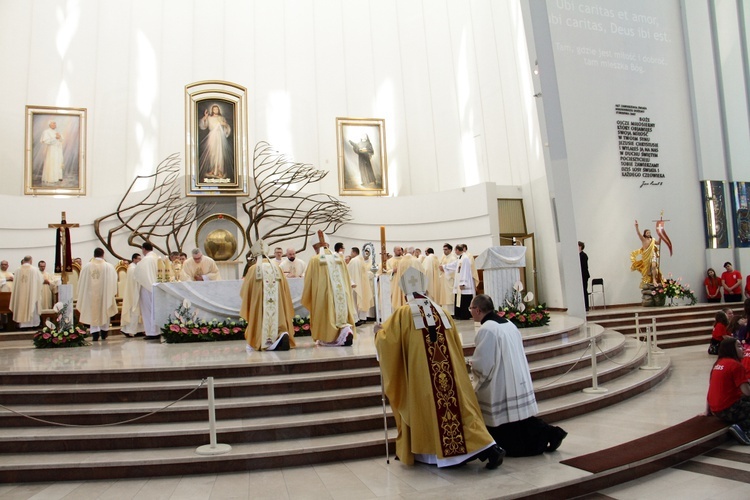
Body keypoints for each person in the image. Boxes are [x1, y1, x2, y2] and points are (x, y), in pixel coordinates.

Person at [374, 267, 504, 469]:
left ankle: (441, 453)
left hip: (423, 378)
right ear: (424, 290)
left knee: (431, 412)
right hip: (450, 373)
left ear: (405, 292)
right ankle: (488, 447)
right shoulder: (442, 311)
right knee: (459, 412)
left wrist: (377, 335)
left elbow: (388, 343)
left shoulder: (404, 312)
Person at [469, 294, 567, 456]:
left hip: (502, 381)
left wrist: (474, 370)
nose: (471, 312)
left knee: (509, 423)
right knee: (520, 420)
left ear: (478, 310)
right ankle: (552, 434)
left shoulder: (487, 330)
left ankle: (548, 435)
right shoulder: (508, 323)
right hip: (516, 376)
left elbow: (484, 364)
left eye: (471, 309)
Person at [301, 233, 357, 346]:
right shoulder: (339, 258)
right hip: (342, 293)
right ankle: (344, 329)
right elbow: (347, 277)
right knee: (340, 313)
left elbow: (308, 281)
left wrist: (309, 296)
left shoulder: (315, 260)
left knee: (327, 314)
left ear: (314, 248)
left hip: (325, 295)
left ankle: (329, 337)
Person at [239, 240, 295, 351]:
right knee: (278, 314)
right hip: (277, 305)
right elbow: (285, 290)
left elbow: (245, 291)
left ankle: (262, 341)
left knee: (259, 315)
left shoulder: (253, 269)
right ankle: (280, 335)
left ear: (256, 257)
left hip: (260, 305)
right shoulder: (277, 267)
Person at [706, 337, 750, 445]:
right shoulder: (736, 365)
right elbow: (747, 392)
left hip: (715, 409)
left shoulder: (718, 363)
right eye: (739, 346)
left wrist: (707, 411)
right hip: (728, 409)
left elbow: (711, 387)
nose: (743, 349)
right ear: (731, 349)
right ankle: (742, 428)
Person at [76, 248, 118, 341]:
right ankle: (104, 333)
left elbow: (81, 282)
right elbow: (114, 281)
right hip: (104, 295)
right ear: (103, 254)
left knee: (92, 312)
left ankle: (95, 334)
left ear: (94, 255)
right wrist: (111, 293)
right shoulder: (109, 266)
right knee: (104, 309)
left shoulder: (87, 267)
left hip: (91, 296)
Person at [133, 242, 161, 340]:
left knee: (147, 311)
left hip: (146, 287)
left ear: (143, 249)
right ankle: (158, 331)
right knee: (156, 310)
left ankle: (151, 333)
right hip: (157, 287)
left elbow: (137, 273)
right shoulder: (157, 258)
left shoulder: (145, 260)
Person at [441, 244, 476, 320]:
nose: (455, 252)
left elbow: (465, 271)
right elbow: (454, 265)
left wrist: (463, 283)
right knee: (459, 299)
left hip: (464, 284)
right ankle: (459, 315)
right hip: (460, 283)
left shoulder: (465, 258)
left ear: (457, 250)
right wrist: (444, 267)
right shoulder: (460, 258)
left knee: (464, 300)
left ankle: (464, 315)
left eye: (455, 250)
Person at [198, 104, 232, 180]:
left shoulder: (221, 118)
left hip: (219, 137)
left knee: (219, 153)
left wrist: (225, 125)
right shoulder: (209, 118)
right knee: (212, 153)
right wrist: (205, 118)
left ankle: (219, 171)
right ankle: (213, 170)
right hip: (212, 137)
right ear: (212, 110)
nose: (215, 110)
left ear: (218, 110)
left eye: (217, 109)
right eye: (214, 109)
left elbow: (227, 129)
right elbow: (204, 126)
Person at [9, 256, 43, 328]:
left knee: (21, 305)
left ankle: (23, 325)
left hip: (20, 295)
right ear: (31, 261)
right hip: (31, 294)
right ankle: (33, 325)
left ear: (24, 261)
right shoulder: (34, 270)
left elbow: (15, 283)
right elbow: (40, 281)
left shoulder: (17, 270)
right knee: (32, 305)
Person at [631, 220, 662, 286]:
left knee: (654, 266)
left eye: (649, 232)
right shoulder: (643, 239)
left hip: (652, 254)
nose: (649, 233)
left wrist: (660, 236)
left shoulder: (652, 240)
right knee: (647, 270)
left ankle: (654, 280)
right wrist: (636, 226)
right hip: (646, 256)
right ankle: (648, 279)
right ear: (645, 234)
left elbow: (658, 243)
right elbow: (638, 234)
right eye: (647, 233)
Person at [347, 247, 373, 325]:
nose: (351, 254)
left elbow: (349, 273)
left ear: (354, 252)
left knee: (355, 301)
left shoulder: (354, 261)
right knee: (362, 300)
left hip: (355, 284)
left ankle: (357, 318)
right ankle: (363, 317)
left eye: (351, 252)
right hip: (363, 284)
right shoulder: (361, 260)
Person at [120, 253, 144, 338]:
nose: (140, 261)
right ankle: (129, 330)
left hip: (136, 291)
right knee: (133, 312)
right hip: (133, 293)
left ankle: (138, 330)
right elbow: (136, 280)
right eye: (138, 259)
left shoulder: (135, 267)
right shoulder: (132, 268)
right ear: (134, 259)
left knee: (138, 312)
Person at [438, 243, 457, 311]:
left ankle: (451, 312)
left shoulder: (453, 258)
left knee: (449, 296)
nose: (444, 251)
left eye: (446, 249)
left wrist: (444, 270)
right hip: (444, 279)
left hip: (449, 279)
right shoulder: (444, 258)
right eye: (443, 250)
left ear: (450, 250)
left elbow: (454, 269)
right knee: (444, 296)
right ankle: (445, 310)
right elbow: (440, 267)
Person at [579, 241, 590, 311]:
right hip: (580, 275)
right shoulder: (577, 255)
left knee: (584, 290)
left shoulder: (583, 255)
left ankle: (586, 306)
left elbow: (583, 266)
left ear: (580, 247)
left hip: (584, 275)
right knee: (580, 291)